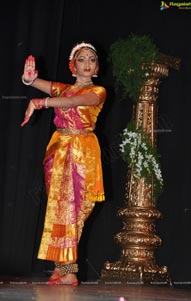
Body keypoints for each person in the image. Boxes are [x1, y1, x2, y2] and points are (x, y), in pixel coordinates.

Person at [21, 42, 106, 285]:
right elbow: (46, 86)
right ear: (73, 66)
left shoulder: (98, 91)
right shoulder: (64, 89)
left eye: (92, 59)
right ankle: (62, 268)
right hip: (59, 150)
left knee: (76, 209)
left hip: (82, 152)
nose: (87, 63)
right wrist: (30, 80)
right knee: (60, 208)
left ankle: (69, 269)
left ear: (97, 67)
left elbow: (72, 103)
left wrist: (41, 103)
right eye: (82, 59)